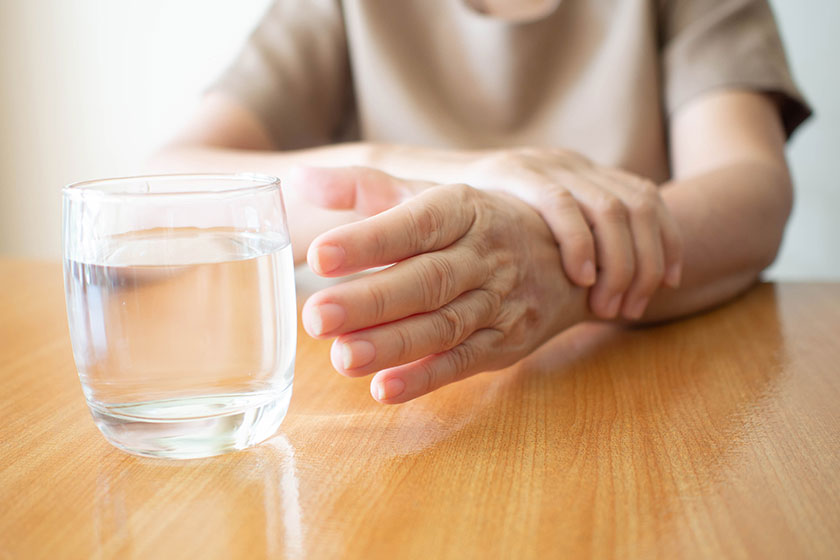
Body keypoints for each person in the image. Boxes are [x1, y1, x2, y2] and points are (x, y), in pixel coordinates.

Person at [151, 0, 810, 404]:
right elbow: (171, 185)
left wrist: (552, 273)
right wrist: (465, 175)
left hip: (648, 381)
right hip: (398, 396)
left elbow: (751, 189)